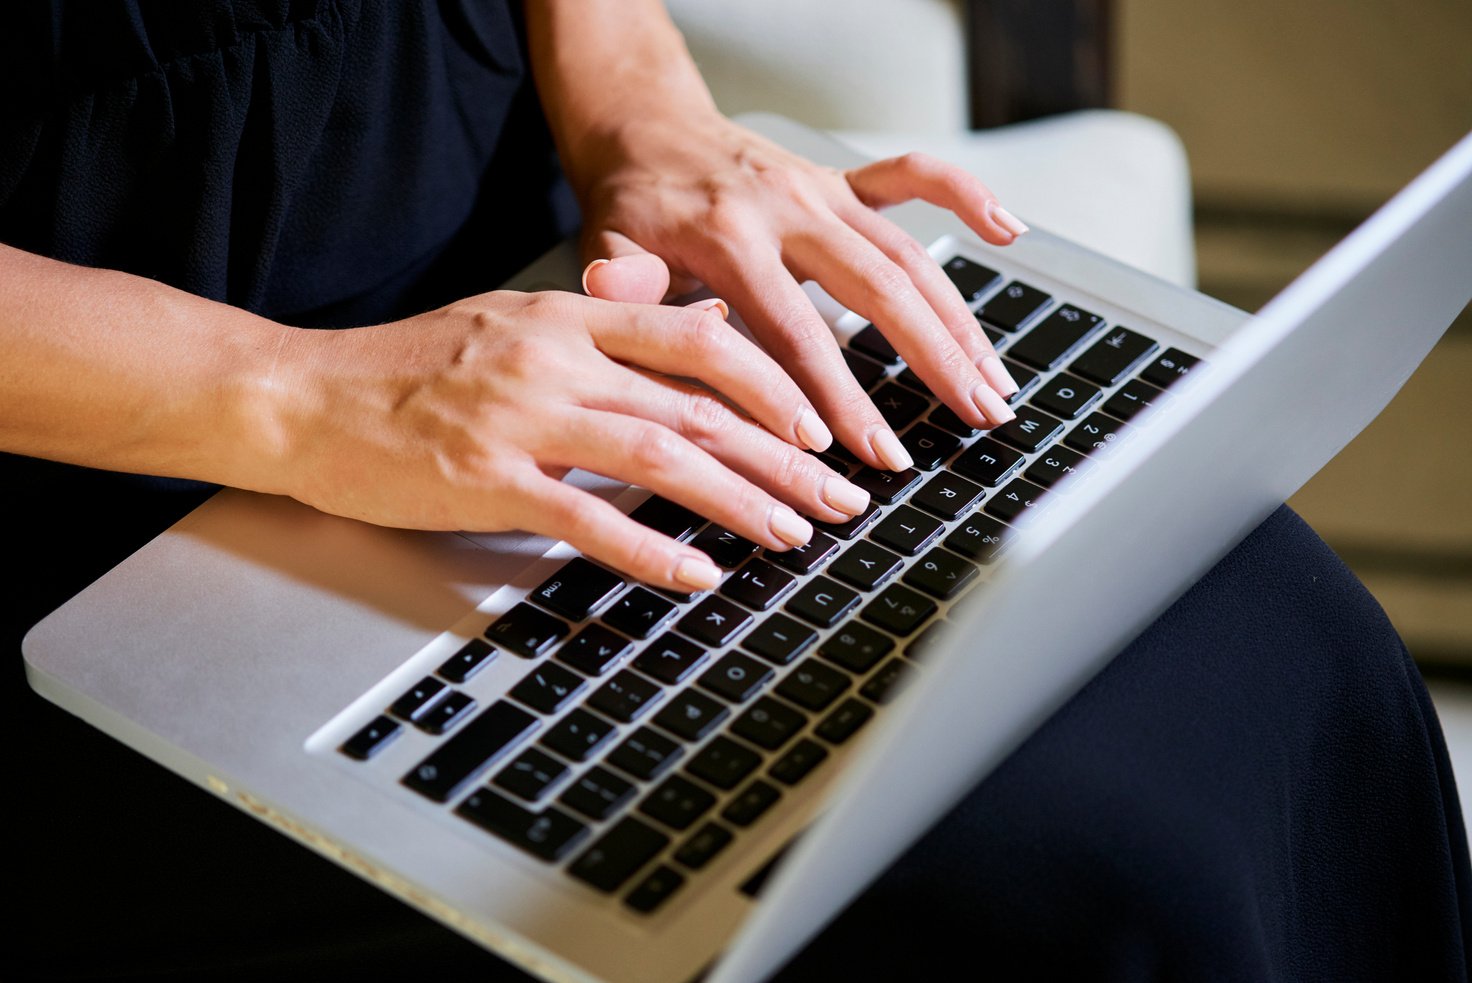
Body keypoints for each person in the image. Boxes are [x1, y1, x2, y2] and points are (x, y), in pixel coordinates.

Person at [6, 2, 1468, 979]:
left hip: (540, 292)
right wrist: (294, 397)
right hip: (106, 468)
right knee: (1067, 891)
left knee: (1278, 634)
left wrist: (643, 116)